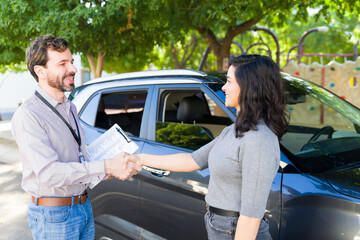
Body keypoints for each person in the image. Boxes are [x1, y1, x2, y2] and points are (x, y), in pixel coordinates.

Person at [125, 55, 289, 240]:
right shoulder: (234, 130)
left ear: (250, 87)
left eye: (229, 81)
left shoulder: (259, 140)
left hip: (236, 231)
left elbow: (251, 217)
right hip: (221, 226)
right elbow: (192, 160)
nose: (223, 87)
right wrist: (138, 158)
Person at [11, 35, 141, 240]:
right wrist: (105, 166)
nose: (72, 68)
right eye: (62, 63)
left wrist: (106, 169)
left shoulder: (70, 107)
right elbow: (49, 174)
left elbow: (77, 158)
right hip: (53, 216)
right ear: (40, 71)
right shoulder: (28, 115)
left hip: (83, 206)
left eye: (71, 61)